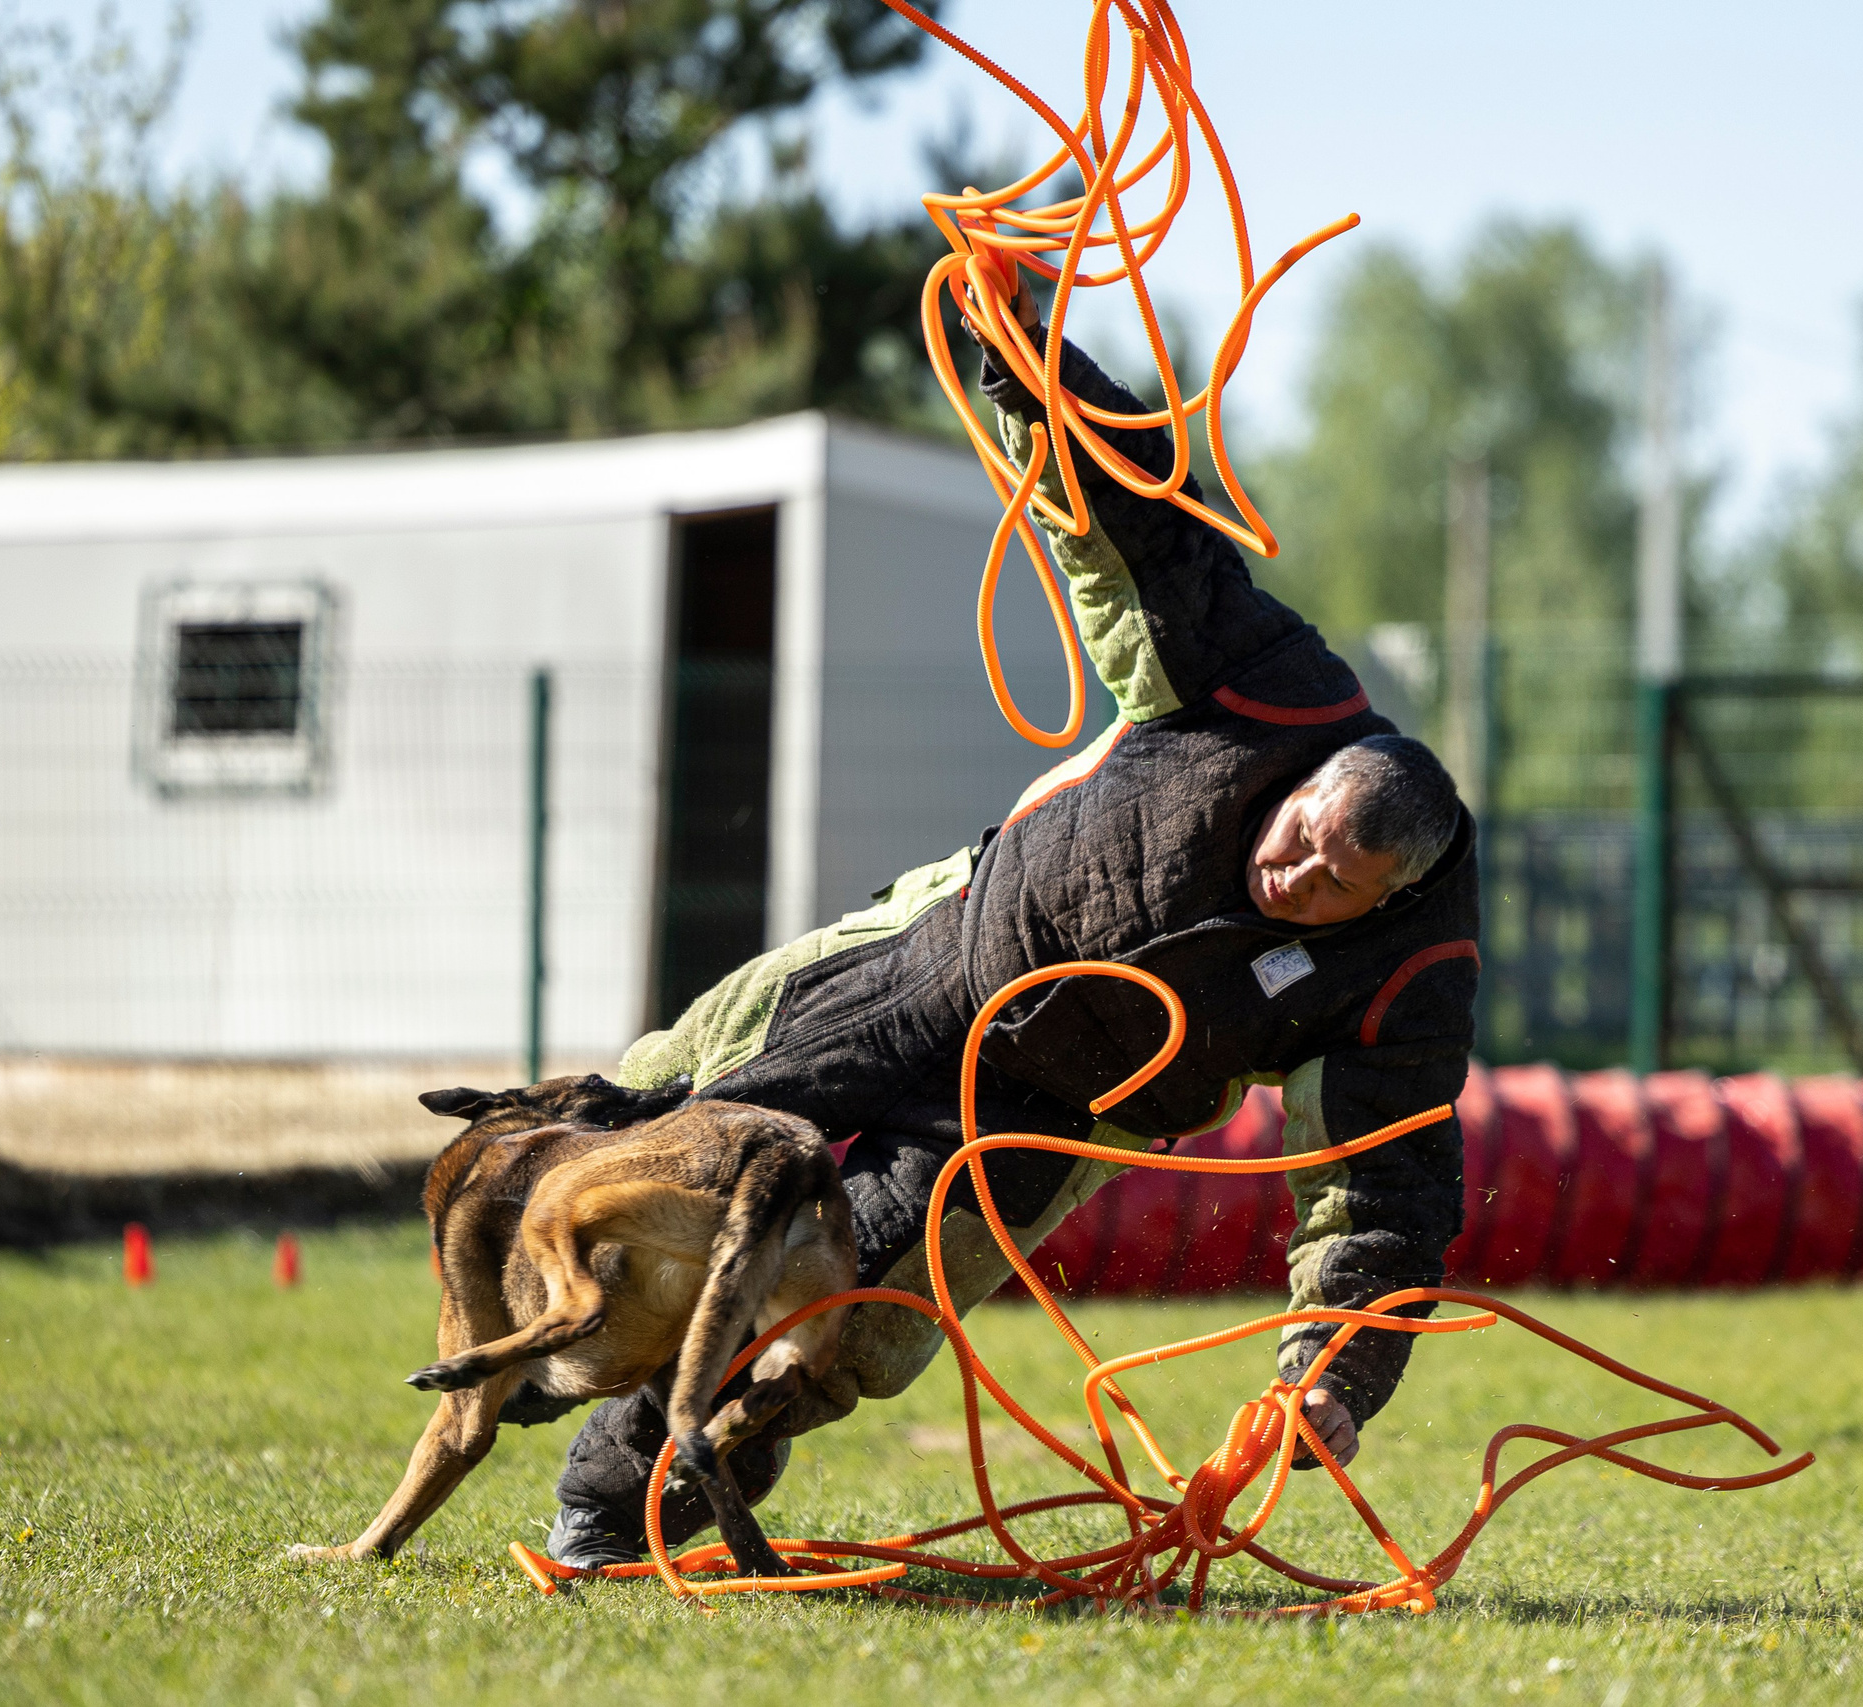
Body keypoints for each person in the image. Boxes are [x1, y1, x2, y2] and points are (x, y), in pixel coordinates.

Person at [536, 276, 1480, 1568]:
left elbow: (1386, 1189)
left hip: (1042, 1122)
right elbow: (1141, 521)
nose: (1291, 878)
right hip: (940, 953)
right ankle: (505, 1301)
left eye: (1329, 891)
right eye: (1297, 838)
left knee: (848, 1325)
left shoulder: (1405, 978)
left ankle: (613, 1507)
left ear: (1387, 903)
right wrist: (1024, 352)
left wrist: (1334, 1371)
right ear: (1317, 776)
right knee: (674, 1107)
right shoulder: (1265, 687)